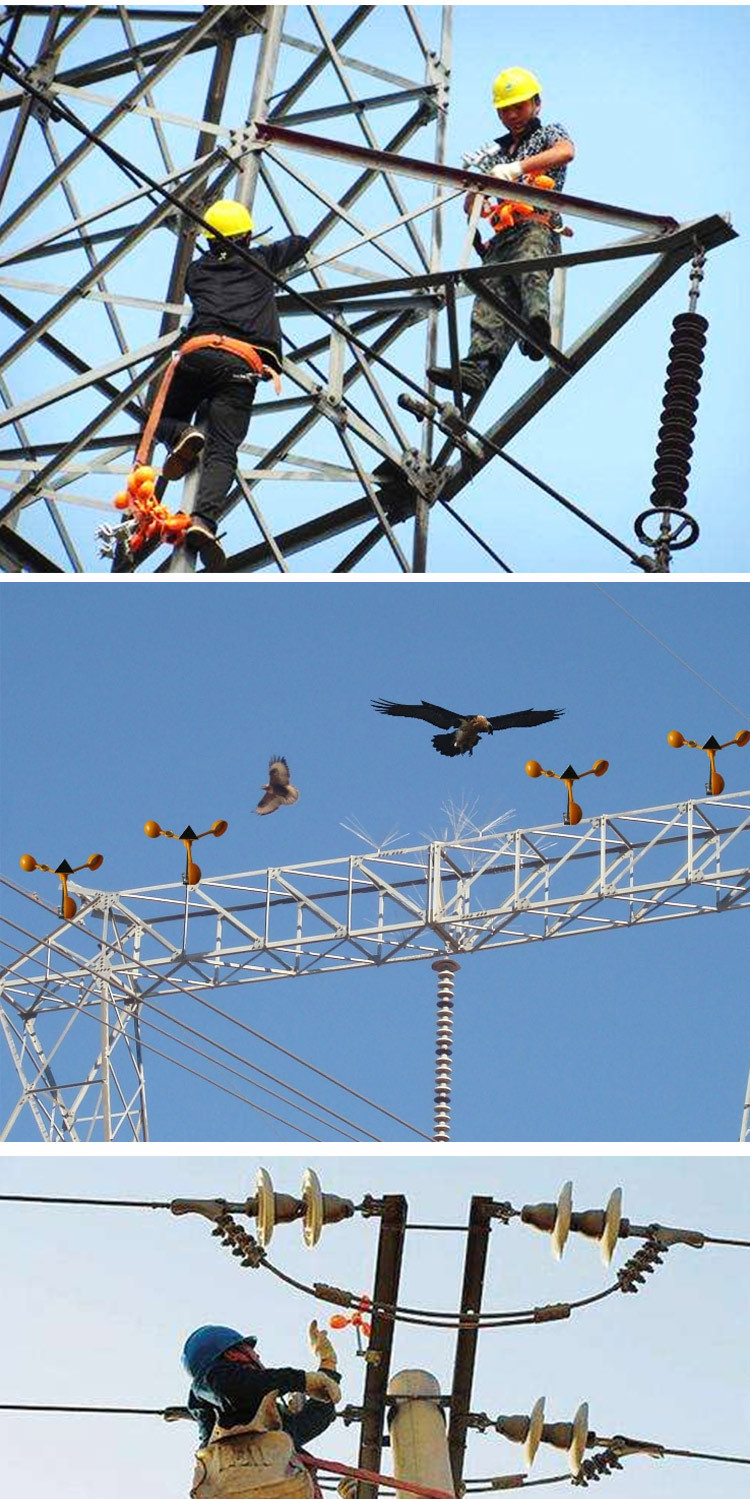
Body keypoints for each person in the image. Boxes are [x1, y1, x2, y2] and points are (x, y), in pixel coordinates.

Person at [151, 200, 312, 568]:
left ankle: (181, 435)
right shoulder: (261, 259)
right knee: (222, 450)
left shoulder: (196, 271)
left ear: (208, 240)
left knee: (158, 419)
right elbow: (301, 243)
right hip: (240, 365)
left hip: (198, 352)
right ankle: (204, 522)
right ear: (248, 234)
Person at [427, 67, 575, 396]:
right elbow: (471, 204)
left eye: (518, 107)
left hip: (535, 224)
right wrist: (478, 194)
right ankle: (476, 369)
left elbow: (566, 152)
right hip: (501, 238)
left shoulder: (549, 134)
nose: (511, 116)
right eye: (504, 110)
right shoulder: (496, 151)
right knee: (488, 302)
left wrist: (519, 168)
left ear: (536, 104)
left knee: (529, 269)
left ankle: (535, 327)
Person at [182, 1321, 341, 1489]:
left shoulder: (261, 1425)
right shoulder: (212, 1381)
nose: (258, 1357)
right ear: (233, 1354)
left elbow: (306, 1424)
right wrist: (301, 1380)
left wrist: (328, 1365)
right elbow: (241, 1387)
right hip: (237, 1485)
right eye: (253, 1351)